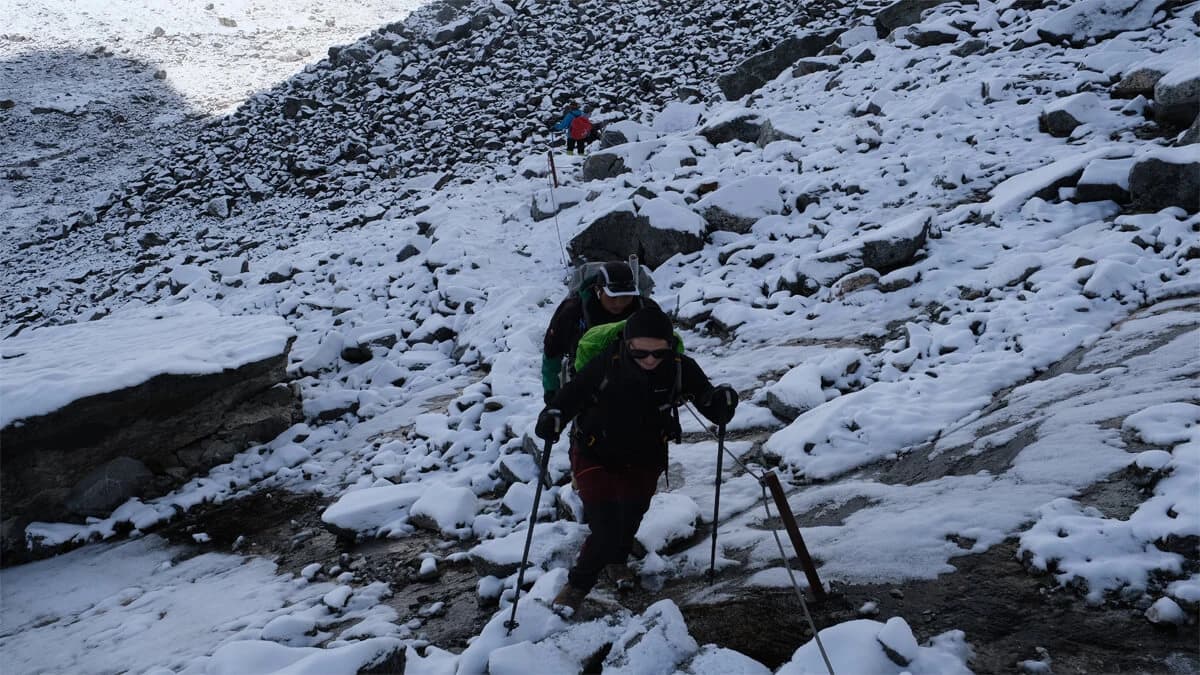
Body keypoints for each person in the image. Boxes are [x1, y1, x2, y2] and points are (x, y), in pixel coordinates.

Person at [534, 306, 738, 614]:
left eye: (659, 353)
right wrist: (553, 417)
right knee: (605, 527)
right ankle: (576, 587)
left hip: (646, 456)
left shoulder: (680, 367)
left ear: (670, 346)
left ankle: (616, 562)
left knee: (631, 516)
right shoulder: (604, 366)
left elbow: (707, 400)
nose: (650, 360)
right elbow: (569, 398)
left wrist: (721, 402)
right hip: (594, 452)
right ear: (626, 344)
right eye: (640, 353)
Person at [541, 262, 659, 404]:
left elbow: (665, 346)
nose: (619, 303)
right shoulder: (572, 311)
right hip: (585, 378)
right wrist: (551, 390)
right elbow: (552, 351)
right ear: (598, 290)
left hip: (637, 378)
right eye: (612, 297)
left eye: (626, 297)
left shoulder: (646, 309)